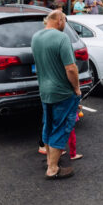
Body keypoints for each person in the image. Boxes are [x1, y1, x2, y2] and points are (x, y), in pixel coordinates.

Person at [31, 9, 81, 179]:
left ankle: (50, 161)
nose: (65, 24)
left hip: (44, 91)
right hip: (62, 92)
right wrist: (76, 88)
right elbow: (71, 68)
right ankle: (53, 169)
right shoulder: (62, 38)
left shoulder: (36, 37)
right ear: (59, 20)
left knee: (48, 126)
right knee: (61, 128)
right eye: (65, 20)